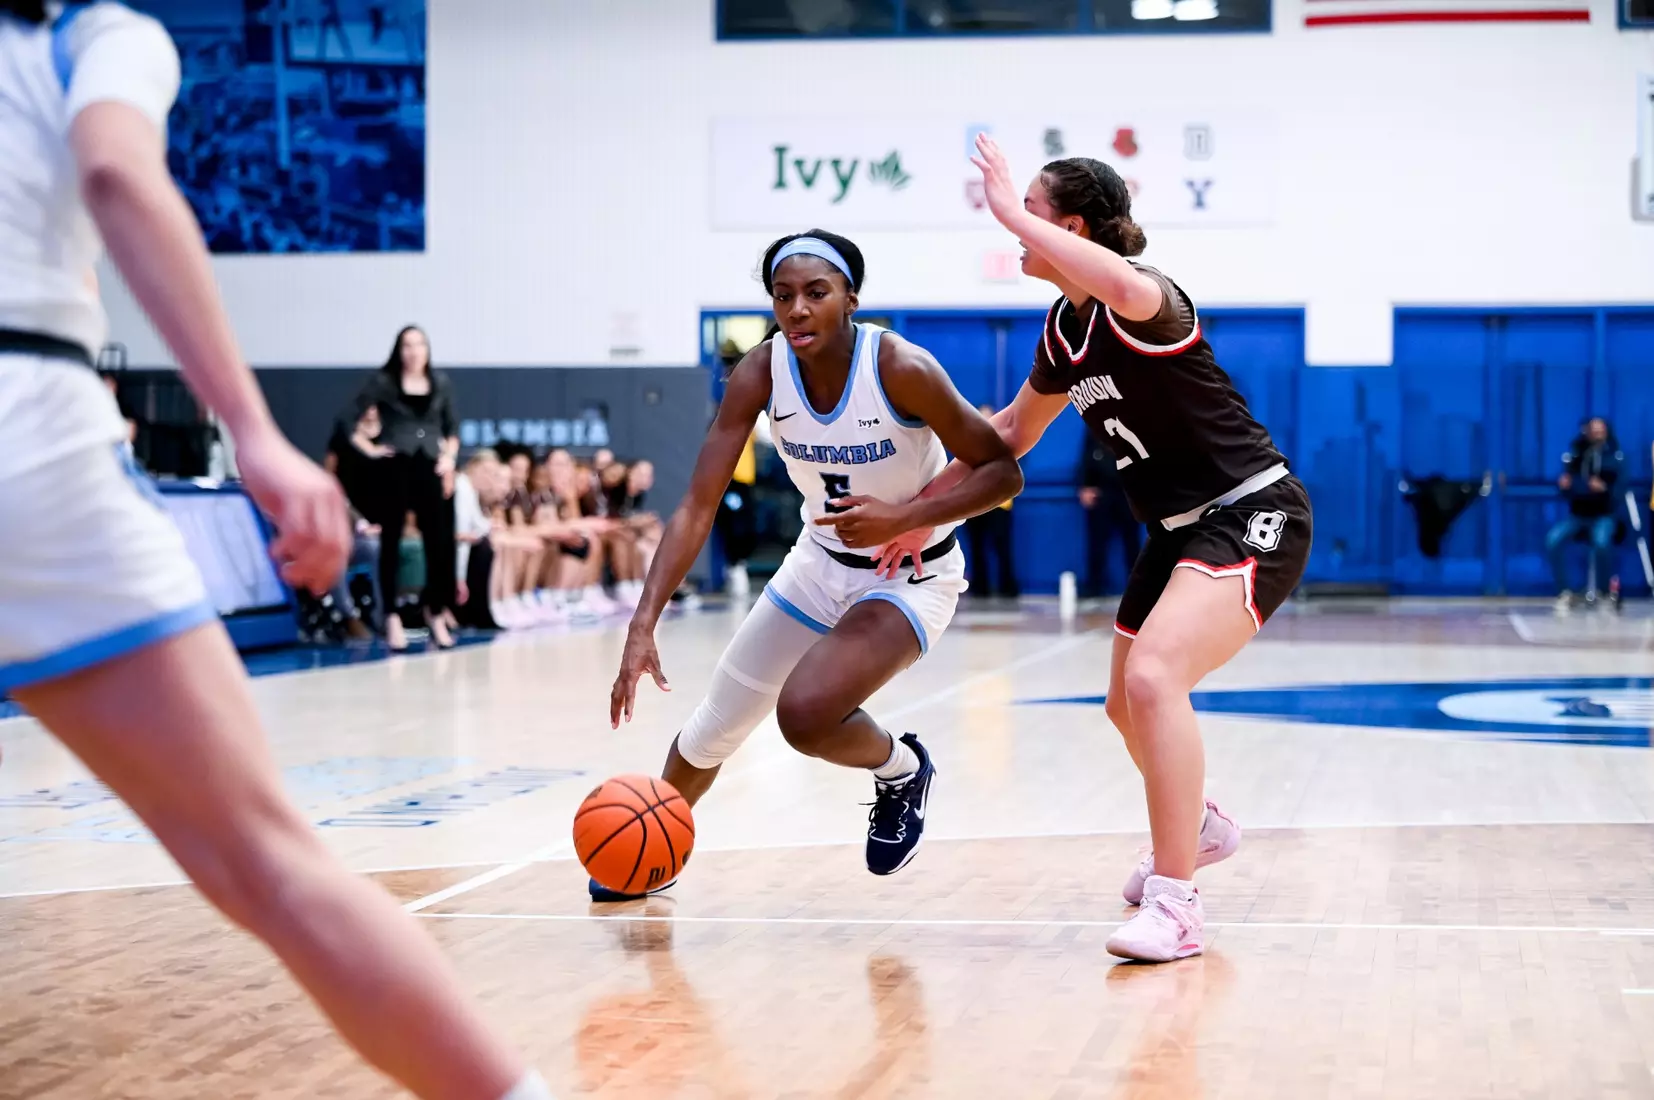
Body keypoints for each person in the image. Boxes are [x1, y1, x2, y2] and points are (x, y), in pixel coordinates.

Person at [0, 3, 549, 1098]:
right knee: (271, 862)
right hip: (30, 436)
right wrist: (252, 430)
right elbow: (116, 173)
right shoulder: (89, 36)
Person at [877, 136, 1313, 963]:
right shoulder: (1062, 328)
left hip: (1254, 511)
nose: (1017, 232)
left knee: (1155, 678)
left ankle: (1177, 905)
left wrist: (1005, 205)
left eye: (1030, 217)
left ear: (1070, 226)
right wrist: (920, 514)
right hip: (1177, 531)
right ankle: (1204, 825)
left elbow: (1115, 277)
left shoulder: (1143, 299)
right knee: (1124, 705)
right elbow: (1009, 434)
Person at [606, 229, 1023, 901]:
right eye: (783, 296)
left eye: (815, 294)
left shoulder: (901, 367)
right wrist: (642, 621)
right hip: (817, 564)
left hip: (910, 576)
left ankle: (902, 768)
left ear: (849, 300)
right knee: (712, 728)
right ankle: (648, 853)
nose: (797, 309)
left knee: (804, 716)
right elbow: (696, 505)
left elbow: (1004, 474)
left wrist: (905, 518)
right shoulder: (759, 372)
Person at [349, 324, 459, 651]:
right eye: (407, 345)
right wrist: (370, 448)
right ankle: (392, 616)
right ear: (399, 350)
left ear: (427, 349)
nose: (413, 351)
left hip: (430, 464)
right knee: (392, 539)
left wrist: (449, 457)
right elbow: (350, 422)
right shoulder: (383, 383)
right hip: (396, 465)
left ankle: (436, 610)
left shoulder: (440, 383)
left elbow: (452, 428)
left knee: (439, 542)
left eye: (419, 344)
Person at [1544, 416, 1624, 608]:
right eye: (1592, 430)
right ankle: (1565, 591)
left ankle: (1604, 591)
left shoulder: (1615, 456)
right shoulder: (1577, 455)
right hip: (1578, 515)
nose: (1596, 434)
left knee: (1601, 542)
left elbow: (1618, 490)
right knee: (1553, 540)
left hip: (1603, 515)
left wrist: (1603, 488)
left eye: (1600, 430)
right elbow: (1568, 486)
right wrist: (1566, 487)